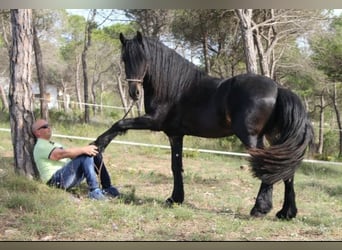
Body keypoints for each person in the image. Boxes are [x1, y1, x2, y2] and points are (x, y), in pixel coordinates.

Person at [31, 119, 120, 200]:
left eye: (49, 125)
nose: (49, 128)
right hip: (55, 180)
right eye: (45, 127)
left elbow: (72, 155)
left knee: (93, 153)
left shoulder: (53, 144)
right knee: (85, 155)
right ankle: (94, 191)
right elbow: (58, 155)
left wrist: (89, 149)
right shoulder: (40, 145)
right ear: (37, 132)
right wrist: (84, 150)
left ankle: (107, 187)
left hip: (66, 176)